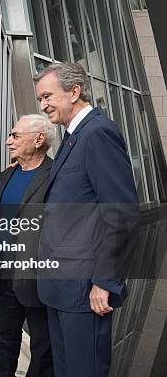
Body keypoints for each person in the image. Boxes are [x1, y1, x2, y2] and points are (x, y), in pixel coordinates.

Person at [34, 63, 139, 376]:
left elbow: (120, 212)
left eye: (48, 96)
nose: (42, 105)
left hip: (83, 291)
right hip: (59, 287)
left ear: (74, 92)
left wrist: (104, 282)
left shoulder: (98, 132)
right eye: (40, 99)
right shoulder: (72, 136)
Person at [0, 114, 55, 377]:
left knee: (43, 347)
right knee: (3, 340)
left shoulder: (56, 176)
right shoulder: (5, 176)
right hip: (4, 277)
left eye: (15, 135)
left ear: (38, 139)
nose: (8, 141)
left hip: (38, 278)